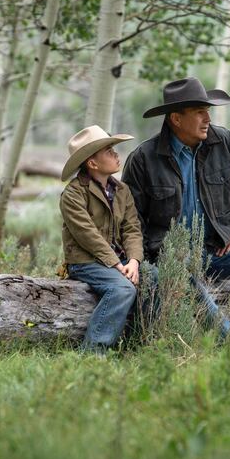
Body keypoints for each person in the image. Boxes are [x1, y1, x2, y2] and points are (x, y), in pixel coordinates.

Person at [122, 77, 230, 337]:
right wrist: (142, 259)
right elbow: (131, 219)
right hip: (171, 258)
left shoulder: (224, 141)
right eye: (199, 112)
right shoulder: (143, 159)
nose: (207, 118)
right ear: (176, 118)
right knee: (187, 281)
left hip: (220, 251)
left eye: (208, 111)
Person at [59, 125, 145, 352]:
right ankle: (93, 352)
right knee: (122, 289)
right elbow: (87, 235)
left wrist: (134, 261)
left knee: (154, 278)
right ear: (92, 163)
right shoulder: (74, 194)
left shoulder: (122, 190)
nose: (116, 154)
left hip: (120, 261)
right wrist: (117, 265)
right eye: (109, 151)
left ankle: (139, 341)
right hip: (85, 262)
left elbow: (132, 229)